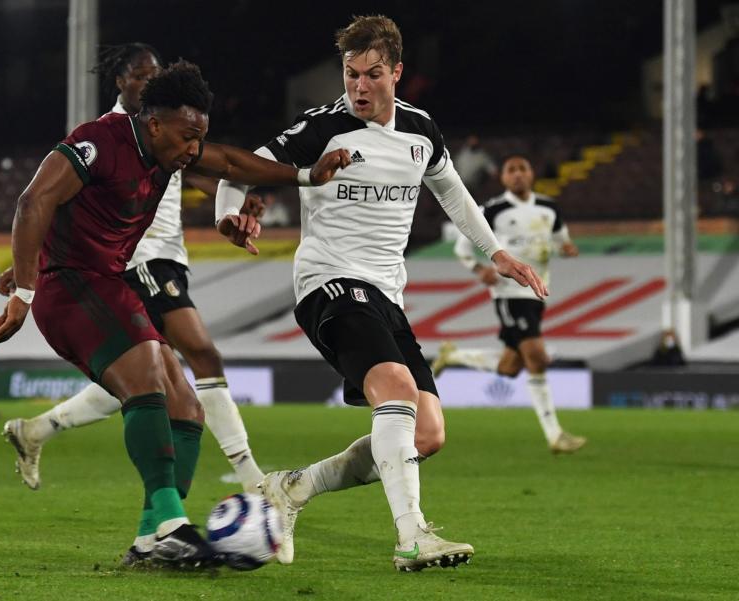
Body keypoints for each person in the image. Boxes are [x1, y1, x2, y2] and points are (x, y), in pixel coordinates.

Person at [0, 60, 350, 568]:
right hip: (68, 287)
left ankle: (149, 541)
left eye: (198, 137)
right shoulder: (102, 141)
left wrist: (307, 176)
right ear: (154, 123)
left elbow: (230, 164)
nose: (193, 149)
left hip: (107, 284)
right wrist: (23, 288)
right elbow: (34, 201)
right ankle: (173, 525)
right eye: (186, 137)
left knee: (187, 406)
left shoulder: (166, 155)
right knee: (148, 380)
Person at [214, 15, 546, 572]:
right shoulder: (322, 128)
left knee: (428, 432)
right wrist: (230, 213)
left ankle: (292, 488)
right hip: (328, 282)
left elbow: (454, 194)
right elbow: (238, 170)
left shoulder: (421, 131)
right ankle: (412, 536)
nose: (359, 88)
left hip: (384, 293)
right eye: (350, 75)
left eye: (372, 75)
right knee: (394, 388)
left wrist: (498, 254)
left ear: (397, 71)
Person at [1, 43, 264, 518]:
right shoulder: (110, 136)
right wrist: (31, 270)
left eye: (155, 74)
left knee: (150, 375)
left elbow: (215, 176)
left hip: (169, 257)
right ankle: (247, 480)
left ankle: (40, 430)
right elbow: (54, 204)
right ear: (121, 81)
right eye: (140, 74)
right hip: (136, 263)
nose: (148, 80)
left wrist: (236, 204)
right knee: (196, 355)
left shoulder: (174, 132)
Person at [433, 155, 586, 454]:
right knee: (537, 357)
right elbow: (462, 246)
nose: (517, 175)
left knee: (510, 367)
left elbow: (559, 240)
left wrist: (566, 248)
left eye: (522, 169)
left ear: (531, 174)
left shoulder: (549, 208)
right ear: (503, 178)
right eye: (511, 170)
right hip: (510, 293)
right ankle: (555, 435)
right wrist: (480, 270)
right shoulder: (493, 209)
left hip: (539, 291)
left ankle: (453, 357)